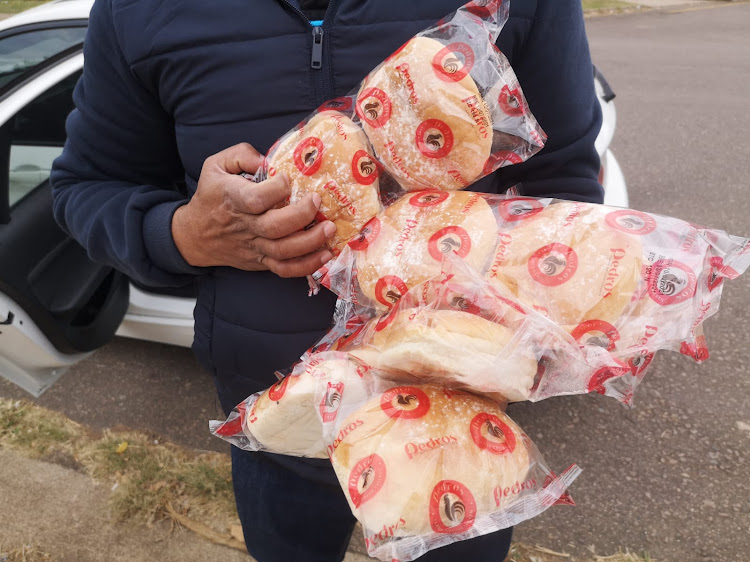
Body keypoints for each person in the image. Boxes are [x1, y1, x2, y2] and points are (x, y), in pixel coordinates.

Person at [51, 0, 603, 560]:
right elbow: (87, 184)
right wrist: (183, 234)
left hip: (457, 422)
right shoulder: (135, 10)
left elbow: (565, 183)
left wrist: (516, 338)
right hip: (278, 421)